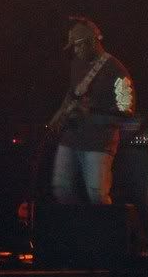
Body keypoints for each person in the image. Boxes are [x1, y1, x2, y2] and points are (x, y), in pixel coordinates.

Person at [48, 16, 135, 205]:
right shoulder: (77, 64)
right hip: (71, 137)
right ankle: (77, 222)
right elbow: (72, 93)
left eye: (79, 45)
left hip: (99, 143)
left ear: (92, 42)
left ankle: (104, 224)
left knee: (97, 195)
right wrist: (60, 114)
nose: (76, 50)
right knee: (60, 188)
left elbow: (126, 112)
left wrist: (93, 114)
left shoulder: (116, 70)